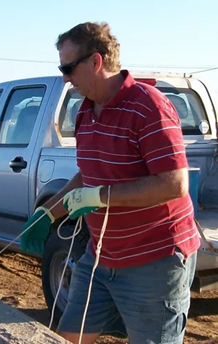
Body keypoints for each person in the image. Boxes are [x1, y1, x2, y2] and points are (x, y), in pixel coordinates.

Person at [20, 22, 200, 344]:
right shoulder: (85, 113)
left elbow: (174, 184)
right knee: (69, 337)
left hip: (154, 261)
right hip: (100, 257)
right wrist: (47, 214)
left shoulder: (148, 106)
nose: (65, 78)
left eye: (68, 67)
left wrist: (101, 197)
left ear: (95, 62)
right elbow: (86, 176)